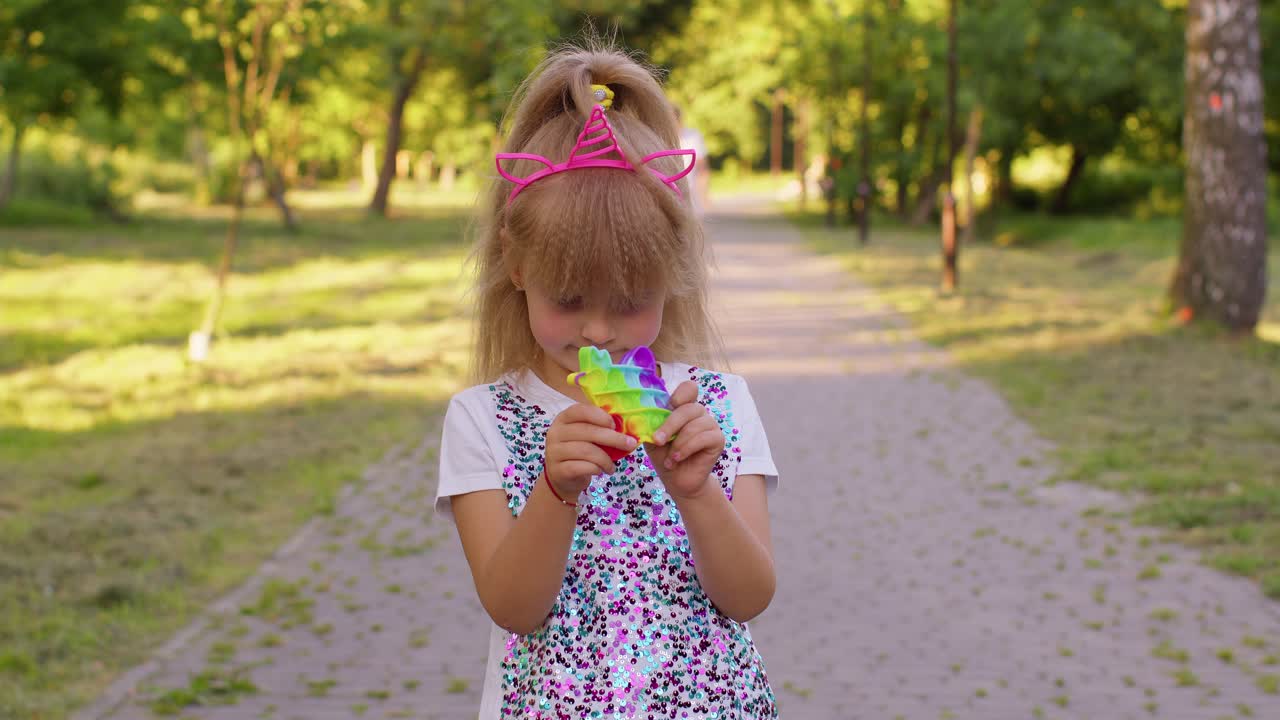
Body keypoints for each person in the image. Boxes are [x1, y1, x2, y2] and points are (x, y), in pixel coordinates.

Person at [434, 43, 780, 720]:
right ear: (516, 262)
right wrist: (555, 491)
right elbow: (513, 607)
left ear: (671, 275)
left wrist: (696, 491)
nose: (597, 331)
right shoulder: (481, 419)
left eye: (628, 302)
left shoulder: (717, 406)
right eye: (569, 300)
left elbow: (749, 597)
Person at [676, 104, 710, 217]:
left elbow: (702, 168)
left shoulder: (693, 136)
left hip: (691, 195)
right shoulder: (659, 138)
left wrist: (704, 195)